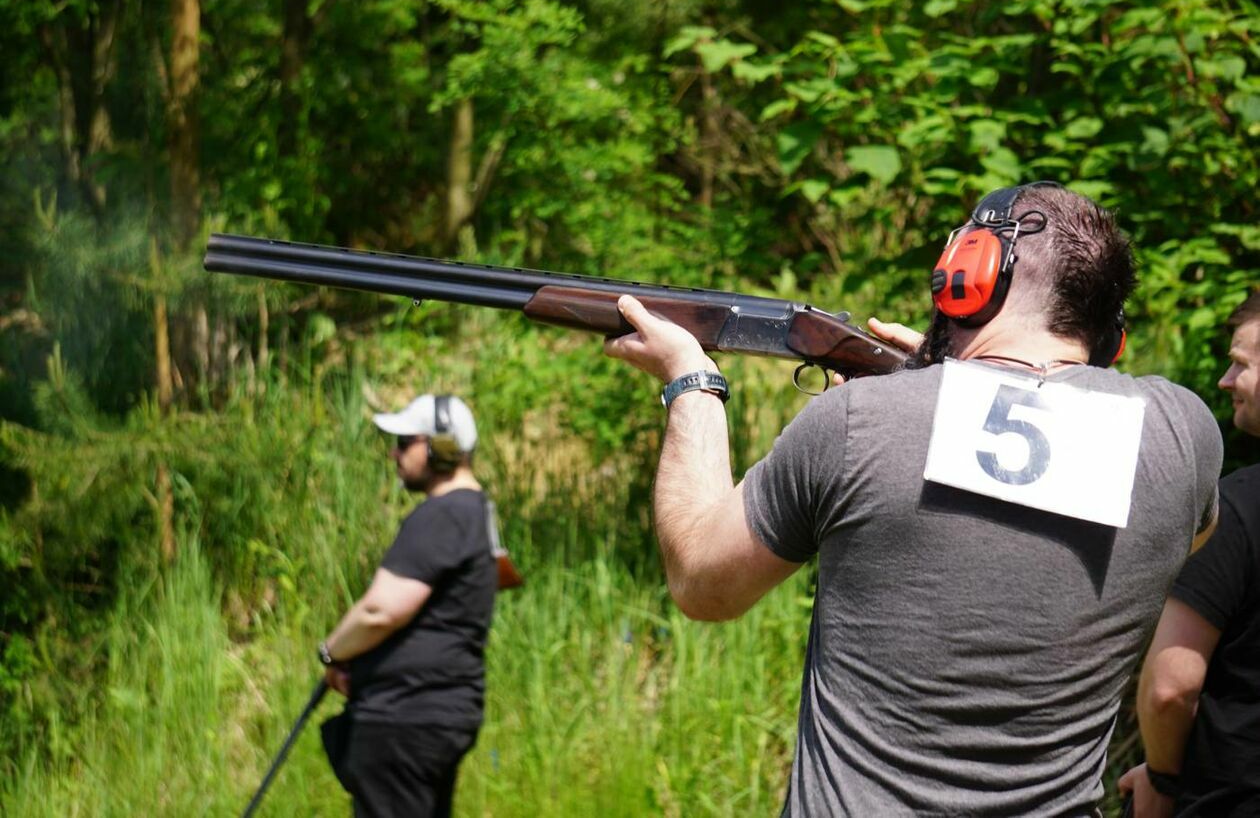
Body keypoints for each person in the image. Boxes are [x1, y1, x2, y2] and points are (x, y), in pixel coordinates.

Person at [604, 182, 1222, 815]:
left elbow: (703, 585)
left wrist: (691, 382)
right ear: (1107, 328)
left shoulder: (859, 421)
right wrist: (938, 390)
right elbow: (1191, 535)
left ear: (970, 274)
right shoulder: (1183, 434)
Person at [318, 394, 497, 818]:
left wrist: (332, 652)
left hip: (405, 719)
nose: (394, 452)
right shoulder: (474, 511)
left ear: (442, 446)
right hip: (430, 715)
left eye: (404, 441)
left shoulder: (444, 514)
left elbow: (381, 610)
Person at [1118, 291, 1260, 817]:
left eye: (1241, 363)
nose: (1225, 381)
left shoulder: (1241, 511)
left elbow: (1171, 688)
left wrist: (1162, 777)